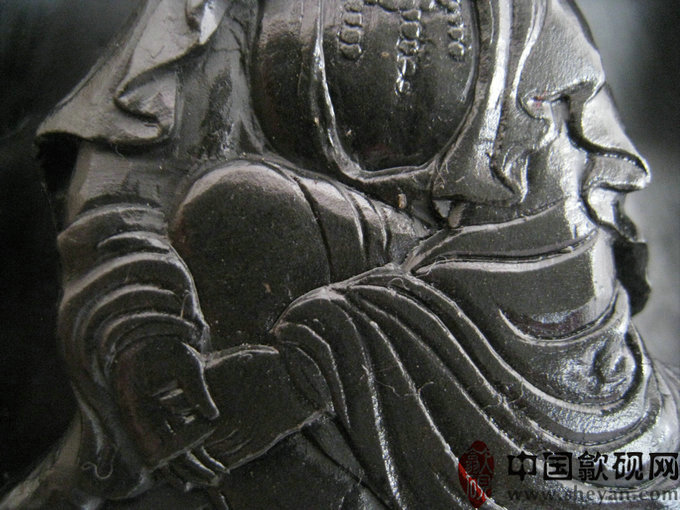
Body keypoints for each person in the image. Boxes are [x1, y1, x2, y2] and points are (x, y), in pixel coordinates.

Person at [3, 0, 678, 508]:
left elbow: (564, 285)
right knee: (236, 215)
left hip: (517, 393)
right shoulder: (192, 17)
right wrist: (142, 335)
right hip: (225, 345)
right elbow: (122, 186)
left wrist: (307, 369)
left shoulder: (517, 26)